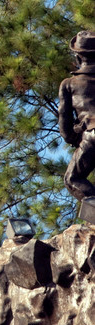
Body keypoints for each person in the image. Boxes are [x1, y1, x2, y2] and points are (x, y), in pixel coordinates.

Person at [58, 31, 95, 201]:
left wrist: (75, 136)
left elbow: (64, 125)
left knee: (72, 179)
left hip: (91, 134)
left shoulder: (69, 84)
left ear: (78, 57)